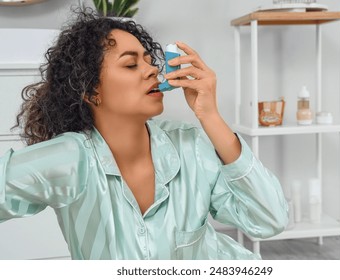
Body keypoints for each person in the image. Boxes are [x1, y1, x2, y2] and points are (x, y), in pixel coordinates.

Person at [0, 9, 288, 260]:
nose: (152, 70)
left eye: (150, 60)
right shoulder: (69, 159)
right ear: (90, 91)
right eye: (130, 64)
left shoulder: (189, 144)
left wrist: (210, 116)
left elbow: (269, 220)